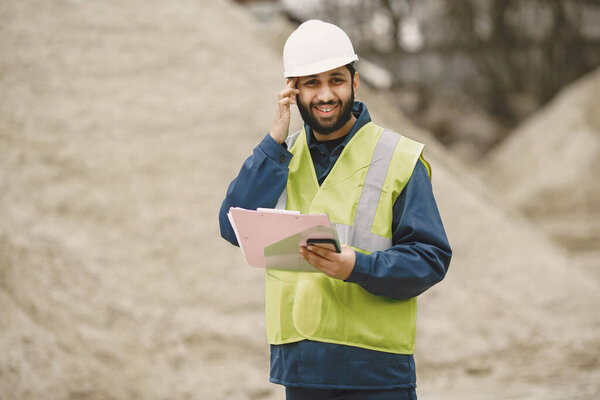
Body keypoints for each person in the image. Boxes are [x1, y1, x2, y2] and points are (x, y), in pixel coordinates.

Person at [219, 20, 451, 400]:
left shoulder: (398, 157)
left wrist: (356, 266)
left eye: (336, 80)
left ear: (355, 83)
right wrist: (274, 139)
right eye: (311, 83)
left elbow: (430, 259)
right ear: (292, 90)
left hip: (375, 370)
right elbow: (232, 227)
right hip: (301, 369)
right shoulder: (279, 157)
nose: (326, 94)